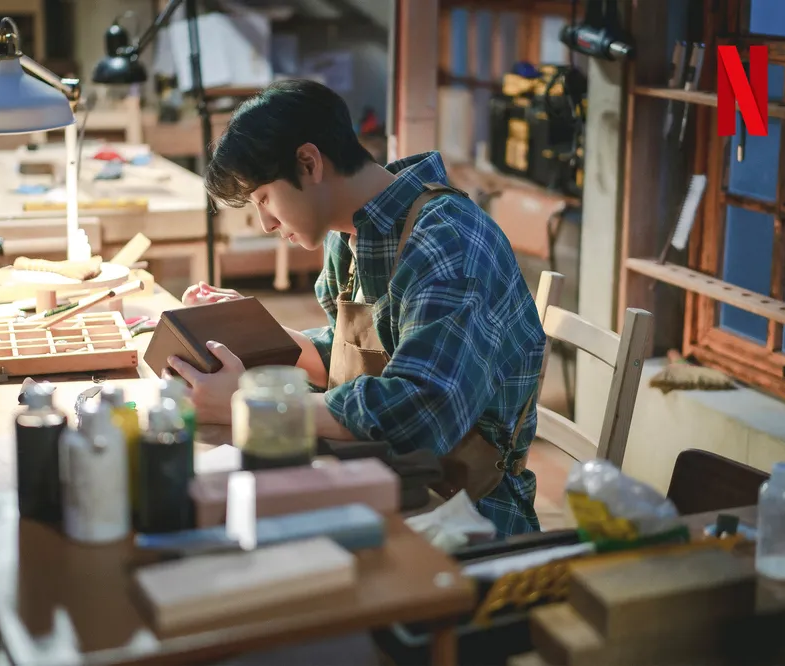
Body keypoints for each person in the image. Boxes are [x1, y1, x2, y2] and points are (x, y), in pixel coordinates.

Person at [164, 79, 546, 537]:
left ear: (308, 163)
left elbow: (419, 413)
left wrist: (253, 405)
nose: (265, 222)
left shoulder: (448, 244)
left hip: (465, 510)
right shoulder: (350, 234)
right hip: (387, 476)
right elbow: (358, 360)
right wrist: (257, 336)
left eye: (264, 197)